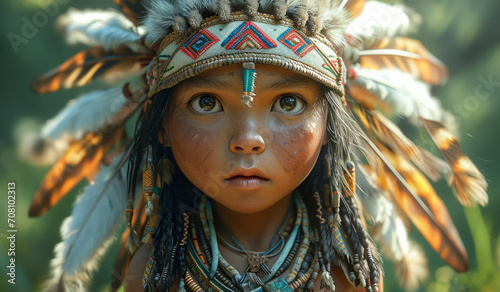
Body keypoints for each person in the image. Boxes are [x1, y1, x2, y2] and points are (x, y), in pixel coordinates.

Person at [25, 0, 487, 291]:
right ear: (160, 125)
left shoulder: (346, 274)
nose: (247, 140)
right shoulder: (155, 272)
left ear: (330, 124)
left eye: (288, 101)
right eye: (206, 102)